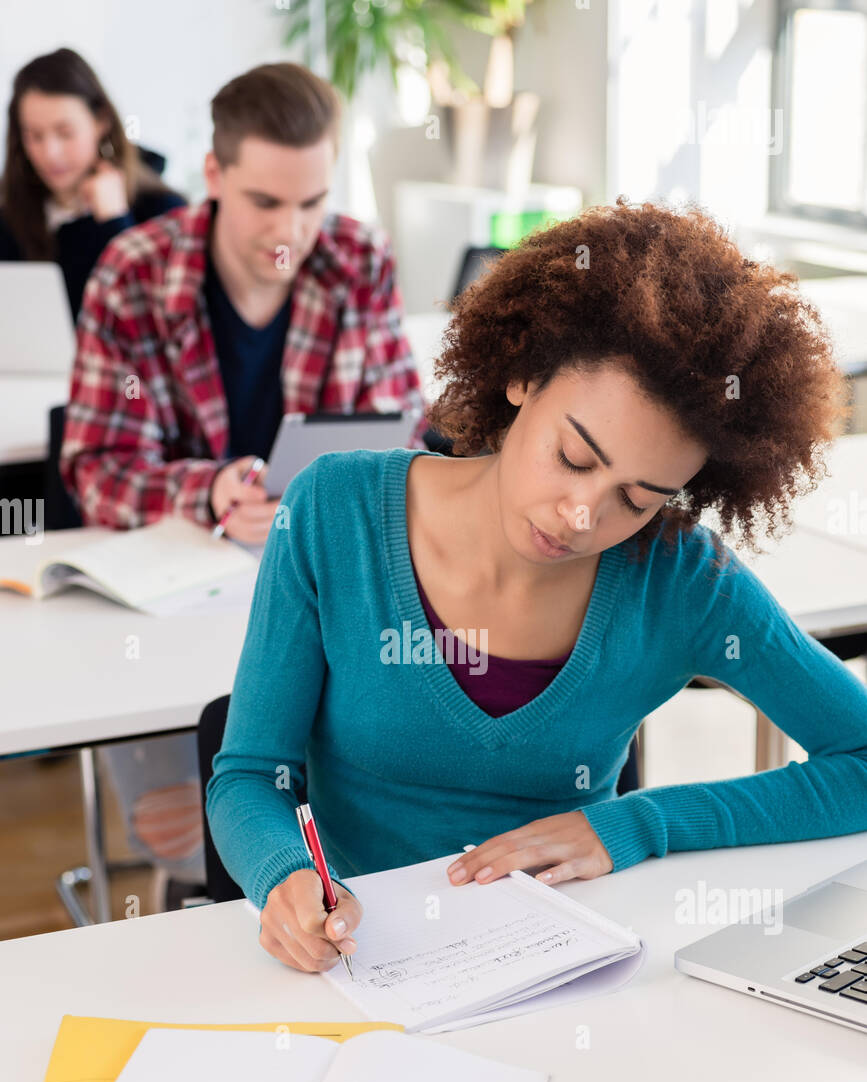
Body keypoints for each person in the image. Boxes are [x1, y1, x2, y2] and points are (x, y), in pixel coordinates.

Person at [206, 197, 867, 974]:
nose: (582, 515)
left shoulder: (682, 577)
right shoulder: (332, 512)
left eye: (637, 497)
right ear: (521, 376)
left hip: (567, 969)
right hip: (361, 963)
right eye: (574, 457)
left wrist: (636, 825)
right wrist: (285, 876)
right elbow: (250, 775)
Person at [59, 61, 427, 895]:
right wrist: (208, 491)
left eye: (311, 201)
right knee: (192, 841)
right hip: (176, 601)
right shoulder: (133, 272)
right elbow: (96, 470)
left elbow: (405, 441)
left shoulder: (358, 258)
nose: (290, 230)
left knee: (362, 814)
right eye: (266, 202)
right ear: (214, 176)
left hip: (329, 589)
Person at [0, 48, 184, 318]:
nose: (50, 153)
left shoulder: (162, 211)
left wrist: (115, 223)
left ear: (101, 121)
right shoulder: (11, 219)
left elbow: (160, 322)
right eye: (35, 136)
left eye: (65, 133)